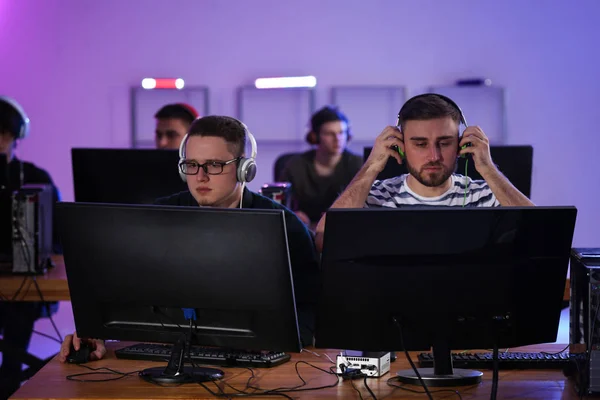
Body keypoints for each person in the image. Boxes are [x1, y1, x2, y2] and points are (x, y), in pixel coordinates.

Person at [59, 115, 320, 363]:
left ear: (244, 169)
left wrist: (277, 341)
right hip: (172, 358)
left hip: (255, 365)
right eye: (192, 165)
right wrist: (96, 333)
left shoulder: (285, 226)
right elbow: (117, 292)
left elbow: (313, 313)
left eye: (214, 165)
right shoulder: (159, 218)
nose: (200, 176)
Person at [314, 93, 535, 252]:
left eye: (445, 143)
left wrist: (489, 170)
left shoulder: (485, 195)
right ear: (400, 146)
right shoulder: (376, 197)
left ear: (461, 144)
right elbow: (324, 239)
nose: (434, 156)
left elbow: (545, 236)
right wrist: (372, 165)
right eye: (420, 144)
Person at [0, 95, 61, 399]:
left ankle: (10, 382)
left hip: (24, 285)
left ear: (15, 136)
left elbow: (59, 238)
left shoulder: (35, 179)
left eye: (4, 133)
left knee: (17, 309)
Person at [278, 106, 363, 230]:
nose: (338, 139)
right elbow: (280, 205)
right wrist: (292, 215)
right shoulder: (296, 166)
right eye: (330, 133)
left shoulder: (359, 165)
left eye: (341, 133)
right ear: (315, 137)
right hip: (303, 231)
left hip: (346, 230)